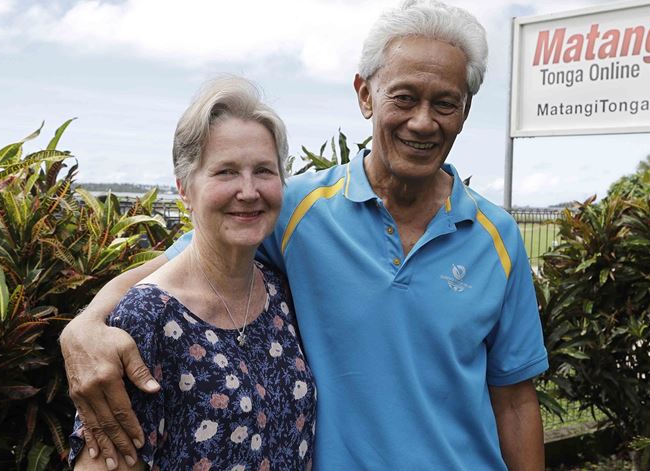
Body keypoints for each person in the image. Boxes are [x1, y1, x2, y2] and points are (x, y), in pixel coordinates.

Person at [60, 0, 548, 469]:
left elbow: (515, 401)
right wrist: (87, 324)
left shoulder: (497, 237)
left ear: (465, 111)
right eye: (404, 97)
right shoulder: (293, 209)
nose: (423, 121)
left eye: (446, 103)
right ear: (364, 94)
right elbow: (180, 271)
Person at [67, 77, 316, 470]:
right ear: (184, 188)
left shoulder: (280, 292)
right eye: (226, 172)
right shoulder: (147, 317)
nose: (248, 190)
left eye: (264, 171)